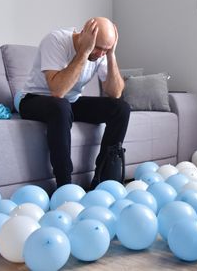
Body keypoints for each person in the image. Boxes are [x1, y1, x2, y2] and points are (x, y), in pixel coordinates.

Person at [18, 17, 130, 190]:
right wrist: (84, 53)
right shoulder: (56, 41)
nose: (100, 54)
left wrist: (111, 55)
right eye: (98, 48)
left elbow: (115, 93)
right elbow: (58, 91)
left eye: (105, 49)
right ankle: (65, 185)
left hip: (69, 103)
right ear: (85, 34)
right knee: (60, 105)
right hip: (34, 99)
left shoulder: (102, 53)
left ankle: (103, 181)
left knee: (120, 108)